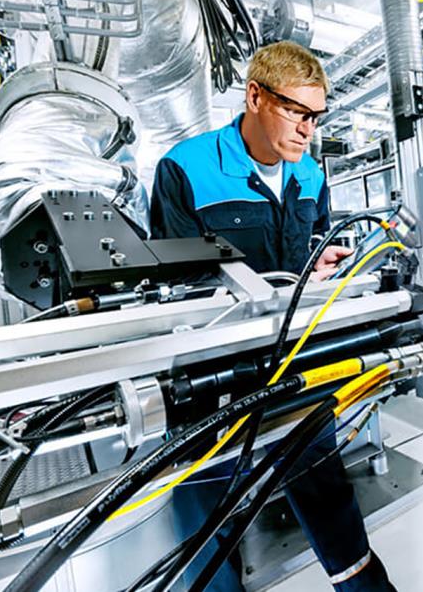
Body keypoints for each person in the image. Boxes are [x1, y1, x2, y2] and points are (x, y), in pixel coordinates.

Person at [150, 41, 396, 591]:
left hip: (298, 358)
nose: (309, 130)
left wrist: (323, 264)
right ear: (255, 96)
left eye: (317, 116)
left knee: (323, 483)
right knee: (207, 502)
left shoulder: (309, 176)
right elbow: (180, 288)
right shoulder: (185, 169)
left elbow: (310, 249)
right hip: (215, 372)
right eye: (298, 113)